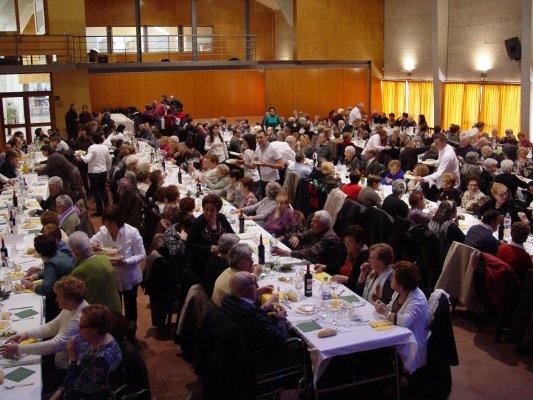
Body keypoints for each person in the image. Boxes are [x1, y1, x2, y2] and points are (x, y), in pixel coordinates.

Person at [0, 276, 89, 393]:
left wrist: (19, 349)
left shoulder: (79, 318)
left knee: (32, 388)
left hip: (68, 368)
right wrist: (26, 335)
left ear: (70, 300)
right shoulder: (71, 307)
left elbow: (55, 345)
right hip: (61, 358)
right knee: (31, 367)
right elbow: (51, 327)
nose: (56, 299)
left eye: (59, 297)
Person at [49, 304, 122, 400]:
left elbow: (76, 392)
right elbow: (79, 373)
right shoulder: (102, 339)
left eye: (81, 327)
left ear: (95, 329)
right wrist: (60, 390)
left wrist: (72, 358)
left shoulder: (100, 359)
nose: (79, 331)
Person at [90, 205, 146, 325]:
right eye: (105, 222)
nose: (108, 226)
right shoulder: (103, 232)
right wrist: (94, 246)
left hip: (129, 276)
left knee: (131, 306)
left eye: (111, 223)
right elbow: (90, 243)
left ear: (119, 221)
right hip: (112, 276)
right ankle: (118, 333)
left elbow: (142, 255)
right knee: (115, 307)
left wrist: (125, 261)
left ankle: (131, 332)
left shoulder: (132, 233)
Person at [374, 261, 429, 373]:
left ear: (402, 284)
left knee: (377, 349)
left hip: (410, 341)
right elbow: (392, 308)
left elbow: (405, 321)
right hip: (397, 333)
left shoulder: (416, 299)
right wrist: (383, 307)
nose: (390, 279)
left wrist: (386, 313)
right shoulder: (399, 291)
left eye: (393, 277)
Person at [220, 271, 287, 352]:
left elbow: (253, 316)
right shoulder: (250, 313)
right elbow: (280, 339)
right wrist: (281, 318)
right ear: (244, 290)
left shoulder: (227, 298)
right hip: (259, 352)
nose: (257, 286)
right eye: (254, 283)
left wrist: (256, 292)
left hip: (238, 344)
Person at [22, 234, 74, 321]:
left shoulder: (51, 263)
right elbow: (53, 272)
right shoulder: (58, 254)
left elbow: (46, 289)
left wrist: (31, 286)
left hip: (59, 302)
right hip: (69, 293)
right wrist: (36, 276)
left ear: (40, 252)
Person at [67, 232, 121, 313]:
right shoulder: (104, 259)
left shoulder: (78, 272)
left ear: (75, 253)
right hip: (115, 308)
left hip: (98, 314)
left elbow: (76, 300)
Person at [186, 194, 234, 278]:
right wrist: (208, 248)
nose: (208, 213)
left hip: (221, 256)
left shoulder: (221, 219)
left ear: (218, 211)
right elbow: (189, 245)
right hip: (203, 259)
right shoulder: (198, 223)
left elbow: (232, 235)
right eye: (206, 209)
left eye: (212, 210)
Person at [272, 210, 340, 265]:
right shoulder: (316, 230)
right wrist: (296, 236)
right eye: (312, 221)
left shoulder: (330, 238)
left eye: (315, 222)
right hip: (313, 264)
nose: (311, 224)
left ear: (325, 225)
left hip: (325, 271)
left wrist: (288, 253)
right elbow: (302, 235)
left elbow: (311, 252)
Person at [317, 225, 369, 291]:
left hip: (350, 289)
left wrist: (345, 279)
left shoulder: (365, 257)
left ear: (359, 242)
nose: (347, 245)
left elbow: (360, 284)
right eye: (345, 242)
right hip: (339, 285)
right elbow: (337, 266)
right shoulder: (347, 251)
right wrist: (324, 266)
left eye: (349, 242)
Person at [79, 133, 111, 216]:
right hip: (103, 171)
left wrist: (81, 156)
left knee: (96, 191)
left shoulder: (92, 148)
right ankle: (108, 208)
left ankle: (99, 211)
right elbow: (109, 160)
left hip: (94, 173)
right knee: (103, 189)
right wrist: (107, 170)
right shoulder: (105, 147)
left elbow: (87, 160)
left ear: (93, 140)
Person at [255, 130, 284, 196]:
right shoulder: (257, 148)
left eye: (261, 137)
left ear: (266, 137)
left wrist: (267, 164)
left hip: (273, 180)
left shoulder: (273, 148)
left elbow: (281, 165)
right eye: (257, 138)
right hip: (262, 179)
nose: (259, 139)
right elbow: (255, 161)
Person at [237, 133, 261, 199]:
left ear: (247, 141)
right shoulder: (256, 149)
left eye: (243, 140)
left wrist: (236, 163)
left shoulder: (247, 151)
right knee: (257, 198)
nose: (242, 141)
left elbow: (246, 166)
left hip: (249, 177)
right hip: (257, 176)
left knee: (250, 198)